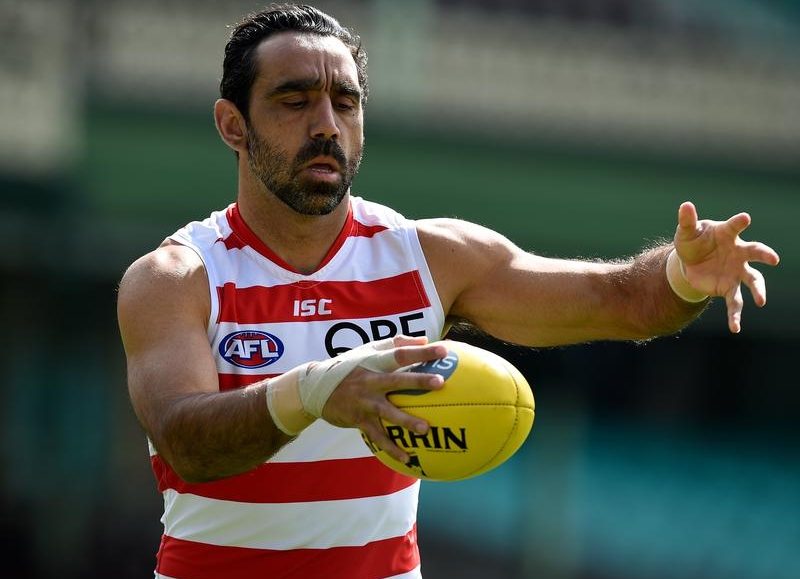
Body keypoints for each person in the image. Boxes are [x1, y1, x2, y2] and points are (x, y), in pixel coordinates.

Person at [116, 4, 780, 579]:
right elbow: (187, 444)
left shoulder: (427, 258)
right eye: (295, 101)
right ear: (232, 125)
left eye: (345, 102)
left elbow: (621, 300)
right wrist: (315, 390)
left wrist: (682, 275)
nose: (326, 125)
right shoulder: (178, 277)